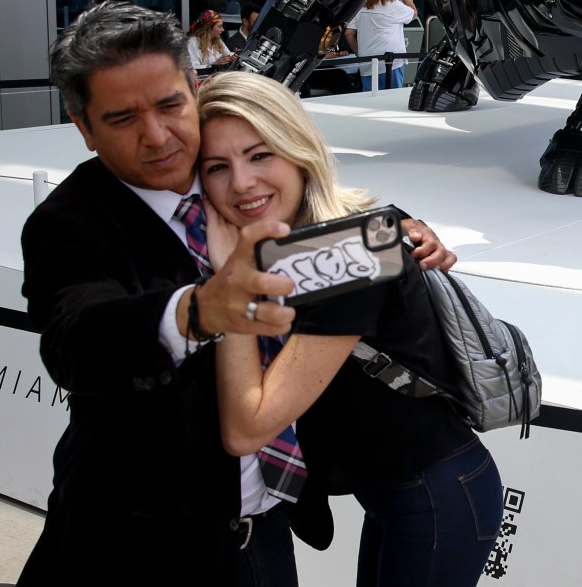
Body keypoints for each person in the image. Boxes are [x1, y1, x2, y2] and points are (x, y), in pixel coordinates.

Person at [18, 2, 332, 586]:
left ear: (195, 86)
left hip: (267, 534)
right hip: (141, 548)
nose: (158, 137)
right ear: (82, 127)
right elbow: (76, 338)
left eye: (169, 105)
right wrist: (195, 310)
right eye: (122, 119)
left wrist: (401, 235)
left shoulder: (231, 166)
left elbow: (316, 190)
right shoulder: (68, 223)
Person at [197, 73, 501, 587]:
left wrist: (230, 289)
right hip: (395, 493)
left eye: (260, 155)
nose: (242, 182)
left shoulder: (350, 254)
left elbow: (249, 425)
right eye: (218, 167)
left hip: (435, 494)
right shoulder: (307, 241)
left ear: (299, 150)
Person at [346, 0, 419, 90]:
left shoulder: (362, 6)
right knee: (392, 101)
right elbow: (414, 13)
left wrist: (359, 53)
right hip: (391, 64)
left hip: (367, 64)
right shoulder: (393, 5)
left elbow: (349, 34)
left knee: (369, 101)